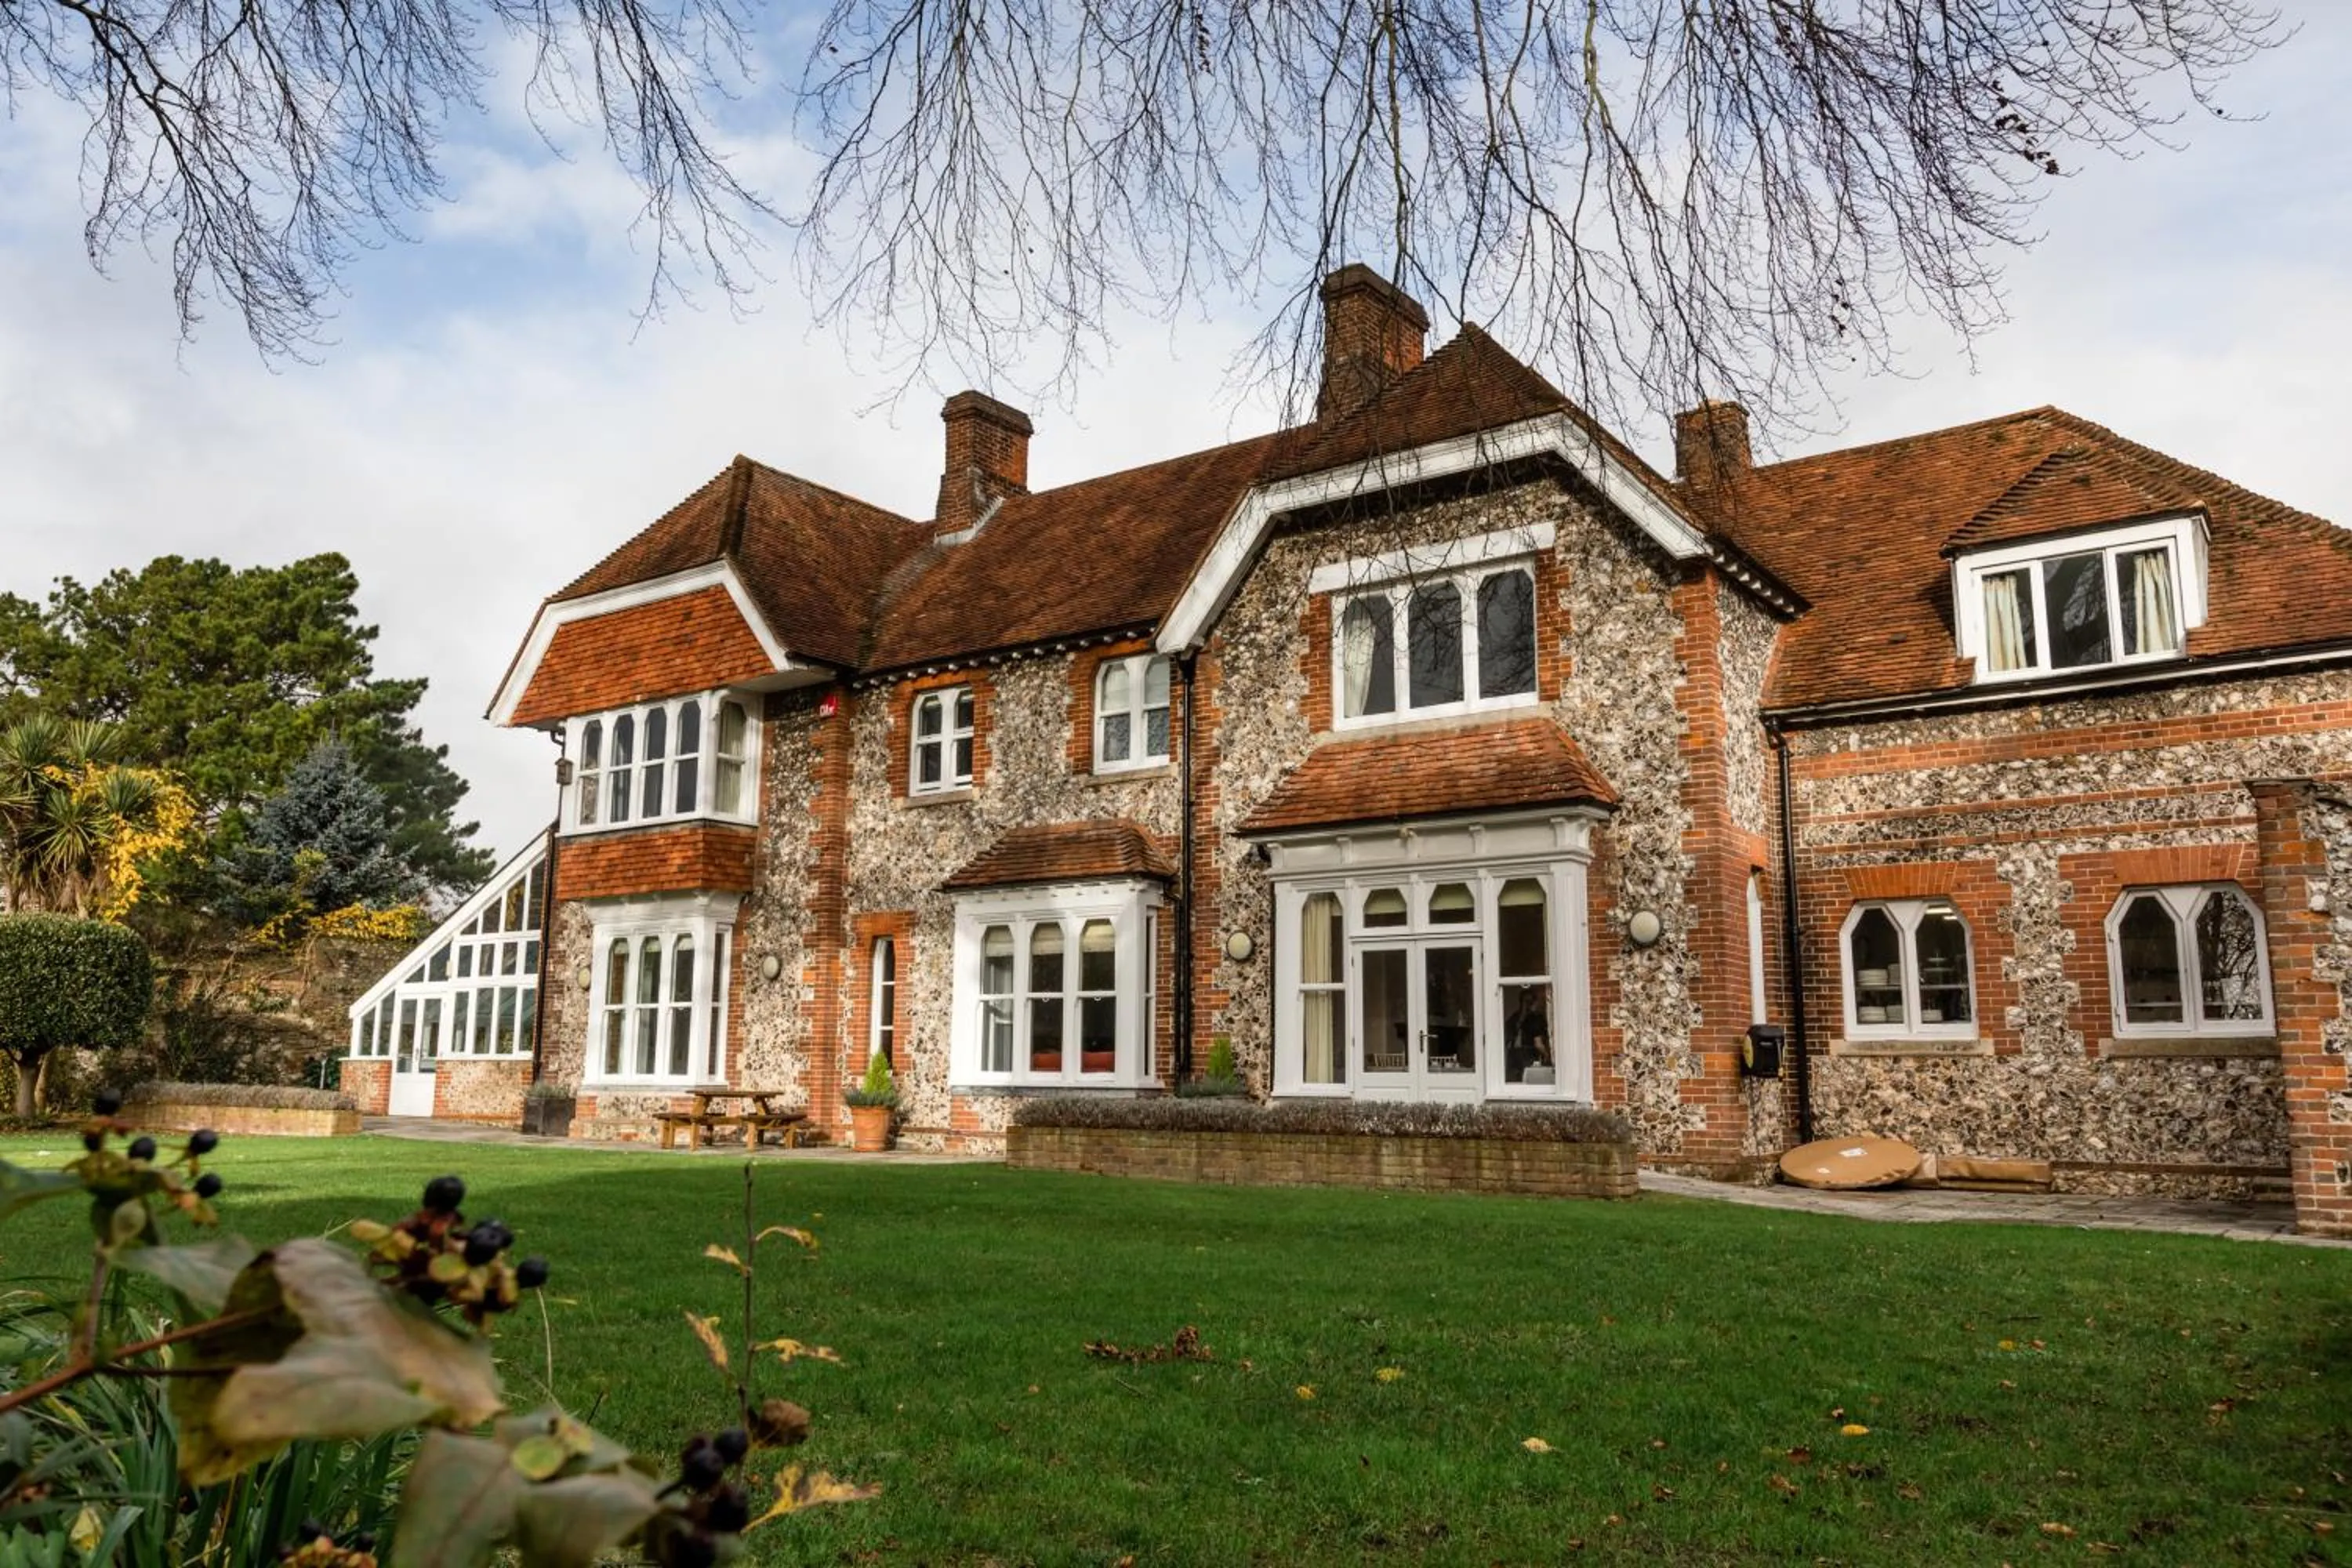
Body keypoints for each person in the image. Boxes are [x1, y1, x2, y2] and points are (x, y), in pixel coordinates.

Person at [1504, 985, 1552, 1081]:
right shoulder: (1536, 1018)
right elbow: (1538, 1043)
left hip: (1512, 1055)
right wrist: (1547, 1055)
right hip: (1529, 1055)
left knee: (1514, 1084)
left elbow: (1507, 1040)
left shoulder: (1514, 1018)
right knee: (1529, 1082)